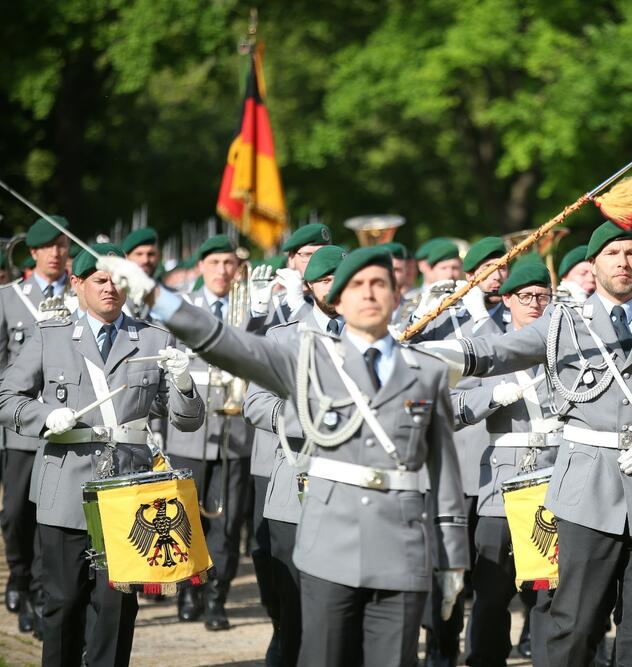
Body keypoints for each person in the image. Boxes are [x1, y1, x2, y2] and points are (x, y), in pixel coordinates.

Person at [99, 245, 469, 667]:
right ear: (337, 297)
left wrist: (453, 557)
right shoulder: (303, 352)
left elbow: (444, 477)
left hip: (400, 549)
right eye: (357, 285)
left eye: (379, 284)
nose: (368, 294)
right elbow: (225, 343)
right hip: (328, 544)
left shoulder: (426, 371)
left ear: (396, 294)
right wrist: (157, 298)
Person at [421, 220, 632, 666]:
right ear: (594, 263)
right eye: (613, 254)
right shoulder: (564, 322)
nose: (624, 262)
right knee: (574, 626)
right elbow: (500, 352)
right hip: (586, 491)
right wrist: (429, 353)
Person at [0, 243, 204, 667]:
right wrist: (43, 415)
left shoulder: (151, 337)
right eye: (100, 279)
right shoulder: (51, 336)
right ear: (77, 284)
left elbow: (187, 421)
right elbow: (6, 396)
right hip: (65, 489)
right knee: (63, 602)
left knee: (116, 609)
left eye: (118, 280)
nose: (110, 288)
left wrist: (184, 384)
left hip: (128, 494)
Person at [243, 245, 347, 666]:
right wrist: (305, 418)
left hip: (353, 489)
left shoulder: (377, 338)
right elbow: (255, 404)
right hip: (296, 482)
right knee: (292, 606)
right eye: (326, 280)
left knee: (343, 609)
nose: (336, 287)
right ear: (309, 286)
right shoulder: (282, 336)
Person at [409, 236, 511, 667]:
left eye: (503, 266)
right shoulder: (441, 319)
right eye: (488, 268)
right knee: (445, 567)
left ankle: (486, 654)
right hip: (450, 465)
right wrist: (418, 314)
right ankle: (441, 648)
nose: (498, 275)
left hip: (497, 465)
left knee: (493, 577)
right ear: (470, 275)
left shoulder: (514, 317)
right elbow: (407, 373)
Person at [452, 259, 559, 667]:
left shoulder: (564, 345)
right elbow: (449, 405)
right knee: (492, 590)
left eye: (543, 296)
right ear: (506, 299)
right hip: (502, 481)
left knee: (550, 591)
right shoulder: (486, 345)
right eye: (526, 296)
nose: (535, 303)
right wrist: (489, 398)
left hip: (554, 475)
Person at [164, 234, 259, 630]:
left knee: (229, 523)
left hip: (235, 435)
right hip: (188, 434)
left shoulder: (249, 309)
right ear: (201, 266)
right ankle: (190, 590)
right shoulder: (182, 308)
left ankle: (217, 598)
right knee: (186, 521)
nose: (223, 271)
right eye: (215, 263)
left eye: (229, 264)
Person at [0, 216, 74, 635]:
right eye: (48, 246)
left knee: (52, 516)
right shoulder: (10, 299)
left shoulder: (81, 294)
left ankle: (44, 599)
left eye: (63, 245)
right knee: (14, 515)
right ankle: (20, 576)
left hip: (67, 429)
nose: (56, 253)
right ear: (33, 253)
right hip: (20, 428)